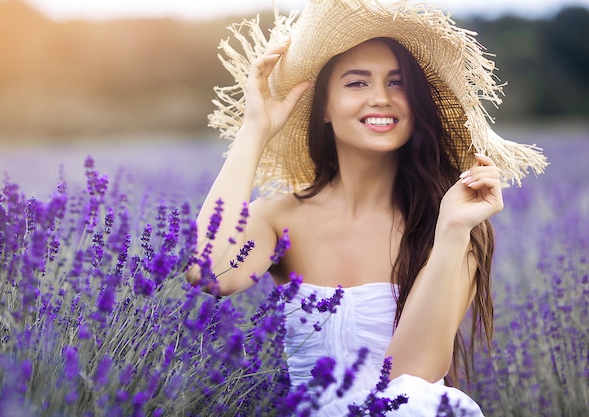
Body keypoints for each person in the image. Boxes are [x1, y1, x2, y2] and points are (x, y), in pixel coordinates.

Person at [188, 0, 548, 415]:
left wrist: (450, 233)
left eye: (398, 84)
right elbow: (207, 270)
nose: (381, 98)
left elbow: (411, 381)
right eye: (357, 83)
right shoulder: (279, 219)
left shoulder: (451, 224)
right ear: (324, 106)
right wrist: (256, 130)